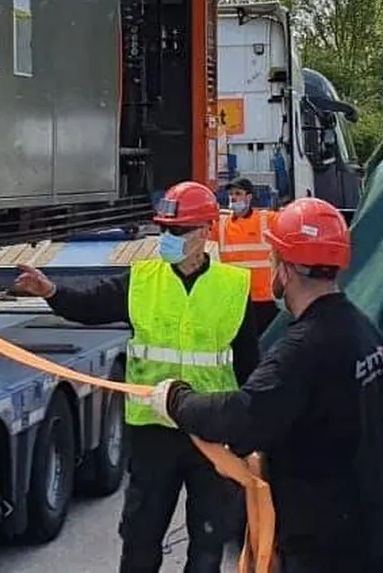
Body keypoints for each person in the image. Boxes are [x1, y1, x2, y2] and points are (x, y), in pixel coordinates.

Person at [151, 197, 383, 572]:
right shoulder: (360, 327)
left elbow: (242, 417)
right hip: (381, 531)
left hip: (333, 548)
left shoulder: (303, 349)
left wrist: (176, 399)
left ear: (285, 269)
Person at [14, 180, 261, 572]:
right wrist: (51, 290)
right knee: (141, 541)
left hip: (212, 434)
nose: (168, 237)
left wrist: (249, 439)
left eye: (177, 231)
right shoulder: (143, 280)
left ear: (205, 232)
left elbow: (249, 366)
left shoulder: (233, 288)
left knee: (208, 546)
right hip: (153, 431)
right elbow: (92, 303)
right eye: (164, 229)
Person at [218, 176, 277, 335]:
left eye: (238, 193)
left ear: (249, 197)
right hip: (237, 300)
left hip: (265, 301)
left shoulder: (267, 219)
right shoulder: (222, 224)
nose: (233, 197)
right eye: (231, 194)